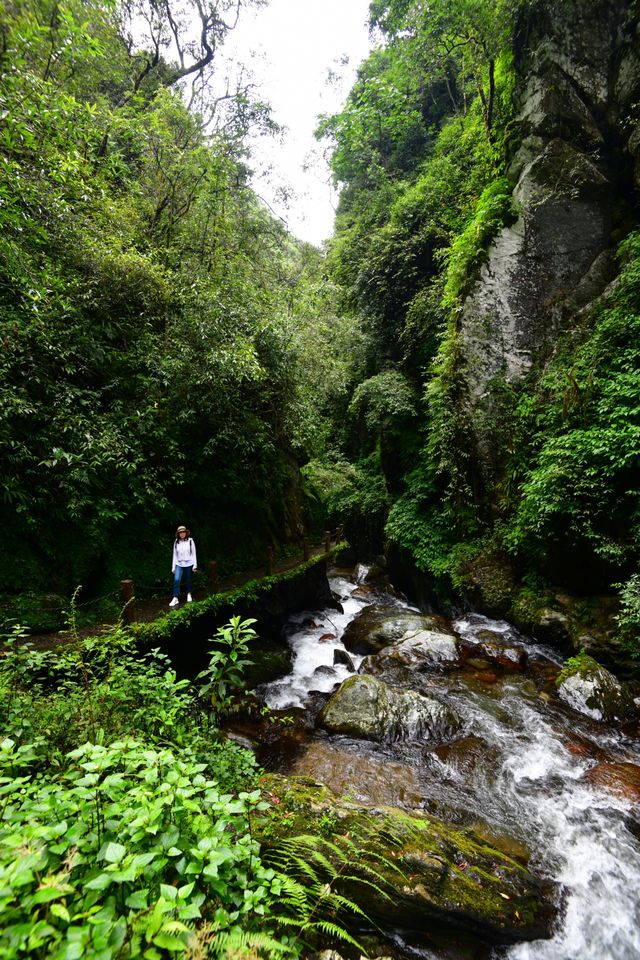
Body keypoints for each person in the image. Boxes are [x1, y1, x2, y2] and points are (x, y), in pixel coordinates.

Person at [170, 525, 197, 606]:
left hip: (189, 563)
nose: (182, 534)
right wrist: (173, 567)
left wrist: (195, 565)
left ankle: (189, 594)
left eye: (183, 532)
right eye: (180, 533)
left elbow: (194, 554)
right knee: (176, 579)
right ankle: (175, 597)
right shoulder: (176, 542)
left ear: (186, 533)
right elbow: (174, 555)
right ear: (178, 534)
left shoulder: (190, 541)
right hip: (179, 563)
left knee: (189, 579)